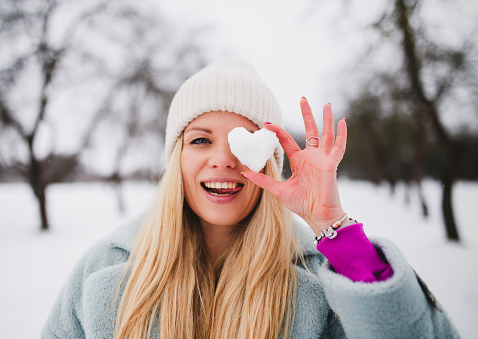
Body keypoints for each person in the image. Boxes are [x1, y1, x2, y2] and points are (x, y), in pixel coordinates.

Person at [42, 58, 459, 338]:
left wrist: (333, 226)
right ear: (177, 159)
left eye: (243, 143)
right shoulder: (107, 267)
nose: (222, 160)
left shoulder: (320, 281)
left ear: (270, 160)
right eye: (201, 140)